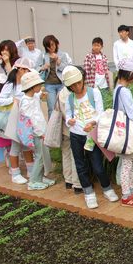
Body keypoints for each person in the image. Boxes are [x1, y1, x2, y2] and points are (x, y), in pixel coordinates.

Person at [64, 65, 118, 209]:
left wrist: (93, 122)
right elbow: (68, 115)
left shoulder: (94, 92)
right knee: (80, 165)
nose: (76, 86)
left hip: (91, 135)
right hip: (76, 135)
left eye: (78, 82)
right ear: (69, 87)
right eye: (72, 85)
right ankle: (88, 193)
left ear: (82, 79)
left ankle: (107, 188)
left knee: (97, 165)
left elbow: (100, 113)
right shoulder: (69, 98)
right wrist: (69, 121)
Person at [113, 58, 133, 208]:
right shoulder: (124, 91)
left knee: (132, 161)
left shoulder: (117, 88)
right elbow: (132, 114)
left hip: (125, 131)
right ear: (130, 74)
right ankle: (126, 196)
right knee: (128, 163)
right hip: (128, 133)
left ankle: (131, 190)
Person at [0, 57, 35, 184]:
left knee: (26, 144)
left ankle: (31, 169)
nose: (27, 73)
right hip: (14, 119)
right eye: (26, 70)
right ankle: (15, 173)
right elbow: (0, 100)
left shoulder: (26, 83)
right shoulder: (10, 84)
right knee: (15, 145)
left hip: (25, 119)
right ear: (19, 69)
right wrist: (13, 100)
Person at [19, 70, 54, 190]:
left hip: (41, 131)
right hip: (37, 133)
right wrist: (40, 133)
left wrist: (41, 94)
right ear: (31, 87)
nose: (40, 87)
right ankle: (33, 181)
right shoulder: (25, 101)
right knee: (39, 156)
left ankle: (40, 177)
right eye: (38, 85)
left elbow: (37, 96)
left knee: (43, 155)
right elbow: (31, 120)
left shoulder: (33, 96)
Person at [57, 66, 82, 194]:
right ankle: (77, 184)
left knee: (66, 153)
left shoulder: (61, 92)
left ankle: (68, 180)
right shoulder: (72, 94)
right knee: (75, 155)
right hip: (74, 129)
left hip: (63, 129)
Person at [41, 35, 72, 117]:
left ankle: (63, 125)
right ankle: (52, 128)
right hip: (49, 85)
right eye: (48, 46)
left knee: (63, 106)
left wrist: (58, 61)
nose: (51, 47)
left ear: (56, 44)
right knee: (51, 107)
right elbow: (36, 68)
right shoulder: (43, 56)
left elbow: (66, 68)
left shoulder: (62, 55)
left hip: (61, 84)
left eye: (53, 44)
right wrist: (43, 67)